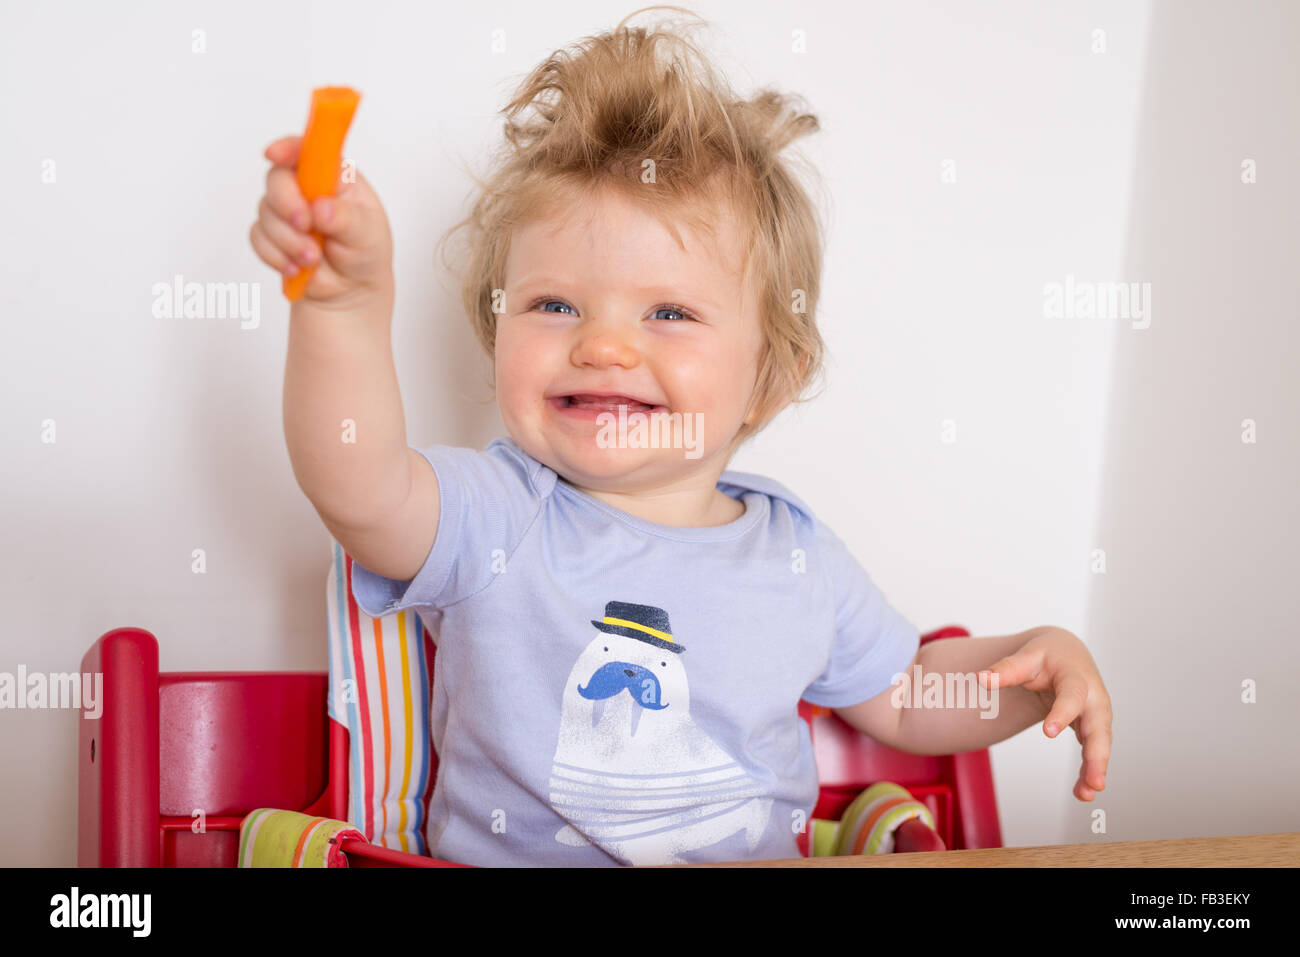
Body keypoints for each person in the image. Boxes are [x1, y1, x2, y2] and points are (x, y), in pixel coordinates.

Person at [249, 5, 1111, 866]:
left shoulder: (796, 554)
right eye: (555, 304)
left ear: (768, 376)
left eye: (669, 311)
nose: (605, 344)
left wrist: (1030, 673)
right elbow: (357, 484)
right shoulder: (503, 513)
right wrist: (344, 308)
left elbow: (911, 697)